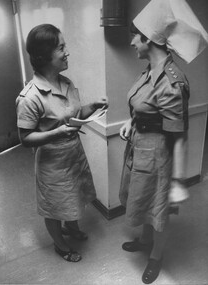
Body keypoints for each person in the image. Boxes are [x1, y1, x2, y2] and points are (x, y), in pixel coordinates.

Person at [119, 0, 208, 283]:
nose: (132, 42)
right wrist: (130, 122)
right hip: (139, 147)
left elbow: (179, 135)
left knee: (158, 211)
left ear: (149, 39)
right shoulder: (149, 72)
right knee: (144, 201)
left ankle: (155, 258)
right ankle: (145, 243)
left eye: (135, 36)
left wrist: (178, 180)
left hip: (158, 156)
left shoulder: (172, 82)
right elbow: (145, 107)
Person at [16, 24, 108, 262]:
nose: (67, 52)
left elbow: (73, 115)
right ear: (45, 55)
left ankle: (72, 228)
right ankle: (60, 245)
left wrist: (92, 106)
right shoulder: (30, 97)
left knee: (75, 195)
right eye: (61, 47)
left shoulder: (65, 82)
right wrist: (57, 133)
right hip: (52, 163)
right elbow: (26, 138)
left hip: (73, 155)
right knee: (55, 205)